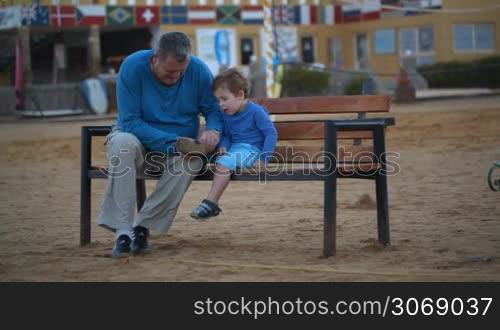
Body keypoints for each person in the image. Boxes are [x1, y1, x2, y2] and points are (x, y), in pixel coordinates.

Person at [98, 32, 223, 258]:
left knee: (192, 161)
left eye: (180, 72)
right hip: (138, 141)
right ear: (155, 58)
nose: (175, 77)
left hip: (179, 149)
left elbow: (213, 109)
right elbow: (129, 122)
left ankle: (141, 228)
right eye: (169, 72)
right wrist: (173, 143)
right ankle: (122, 233)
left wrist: (213, 129)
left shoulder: (198, 70)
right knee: (122, 144)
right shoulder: (133, 67)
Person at [189, 68, 278, 220]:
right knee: (211, 155)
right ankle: (195, 151)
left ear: (240, 95)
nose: (221, 105)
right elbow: (228, 135)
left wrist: (264, 158)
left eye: (224, 99)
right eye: (218, 100)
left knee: (223, 164)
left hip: (251, 150)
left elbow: (271, 133)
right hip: (236, 150)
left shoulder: (255, 111)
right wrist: (224, 145)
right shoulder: (227, 114)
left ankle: (211, 202)